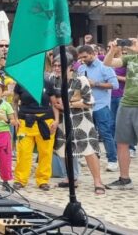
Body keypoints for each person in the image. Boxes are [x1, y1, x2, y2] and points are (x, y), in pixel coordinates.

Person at [51, 57, 106, 195]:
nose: (57, 68)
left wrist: (68, 105)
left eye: (60, 65)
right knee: (65, 150)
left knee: (89, 151)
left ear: (70, 66)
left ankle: (98, 181)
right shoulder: (54, 80)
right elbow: (54, 103)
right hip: (64, 121)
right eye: (55, 65)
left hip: (82, 120)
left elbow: (89, 102)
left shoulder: (81, 79)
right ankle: (71, 179)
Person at [76, 44, 119, 171]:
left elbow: (115, 85)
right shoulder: (81, 68)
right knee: (88, 134)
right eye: (81, 58)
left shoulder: (105, 67)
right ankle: (94, 159)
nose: (83, 60)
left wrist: (95, 83)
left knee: (105, 133)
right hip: (85, 105)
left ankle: (112, 160)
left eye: (85, 57)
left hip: (101, 105)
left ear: (93, 54)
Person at [13, 77, 59, 191]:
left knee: (46, 152)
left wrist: (56, 120)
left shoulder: (47, 83)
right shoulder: (21, 83)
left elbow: (54, 103)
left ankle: (43, 180)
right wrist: (15, 118)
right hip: (25, 122)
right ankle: (20, 180)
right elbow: (14, 102)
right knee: (23, 151)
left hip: (45, 122)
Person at [102, 39, 137, 190]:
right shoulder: (130, 58)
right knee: (122, 141)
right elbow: (108, 63)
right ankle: (124, 179)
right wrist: (112, 49)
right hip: (126, 102)